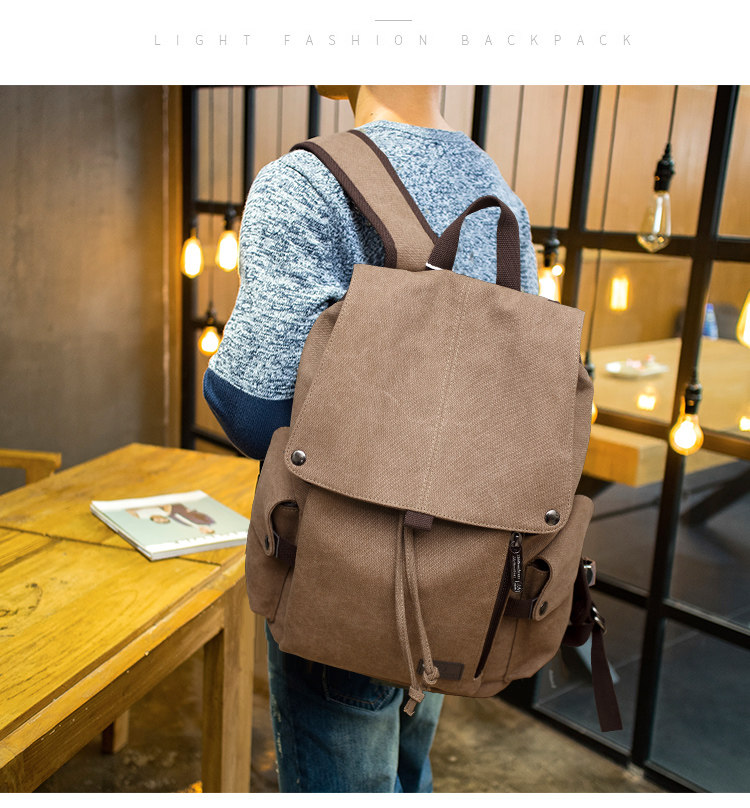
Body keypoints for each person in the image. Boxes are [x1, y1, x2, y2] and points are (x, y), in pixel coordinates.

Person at [204, 85, 539, 793]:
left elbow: (253, 411)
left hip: (346, 572)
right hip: (461, 571)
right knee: (408, 771)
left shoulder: (305, 184)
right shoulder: (499, 197)